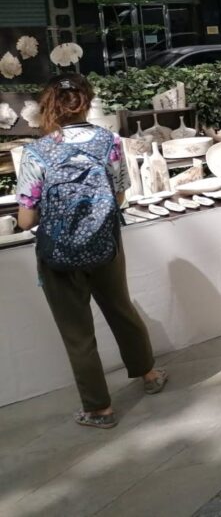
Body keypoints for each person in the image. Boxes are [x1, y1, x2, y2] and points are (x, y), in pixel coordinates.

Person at [16, 74, 167, 430]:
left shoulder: (37, 152)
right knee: (121, 309)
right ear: (86, 101)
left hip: (58, 254)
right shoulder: (109, 141)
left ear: (49, 105)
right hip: (105, 244)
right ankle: (147, 374)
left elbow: (25, 220)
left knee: (77, 331)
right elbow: (118, 197)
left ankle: (99, 409)